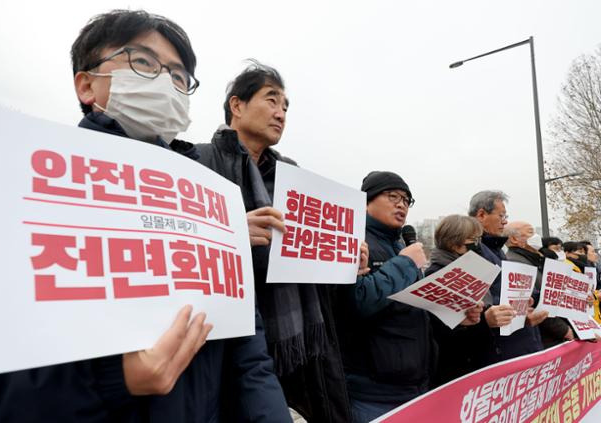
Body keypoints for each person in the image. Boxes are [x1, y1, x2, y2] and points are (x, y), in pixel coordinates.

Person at [0, 10, 290, 422]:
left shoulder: (209, 200)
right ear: (86, 84)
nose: (165, 84)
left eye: (178, 77)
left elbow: (248, 355)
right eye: (144, 63)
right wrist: (110, 379)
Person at [193, 61, 361, 422]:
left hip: (304, 350)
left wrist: (347, 258)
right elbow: (176, 250)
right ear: (237, 106)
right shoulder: (196, 162)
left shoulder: (295, 180)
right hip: (230, 345)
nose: (281, 113)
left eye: (285, 106)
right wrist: (229, 234)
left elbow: (314, 267)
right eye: (271, 100)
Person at [335, 171, 432, 422]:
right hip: (371, 391)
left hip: (414, 384)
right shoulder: (353, 240)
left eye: (406, 200)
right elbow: (356, 303)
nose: (401, 205)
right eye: (393, 196)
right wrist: (406, 264)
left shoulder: (401, 246)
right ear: (366, 200)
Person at [468, 191, 544, 363]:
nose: (505, 221)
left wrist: (528, 299)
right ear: (481, 214)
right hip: (502, 351)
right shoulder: (474, 251)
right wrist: (516, 311)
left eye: (506, 216)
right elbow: (486, 301)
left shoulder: (497, 250)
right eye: (501, 215)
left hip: (520, 343)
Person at [425, 215, 488, 387]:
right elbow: (440, 329)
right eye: (473, 240)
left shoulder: (472, 269)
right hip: (451, 369)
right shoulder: (437, 275)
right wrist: (481, 320)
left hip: (475, 362)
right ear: (455, 243)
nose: (478, 245)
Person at [503, 222, 567, 349]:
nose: (536, 236)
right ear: (514, 239)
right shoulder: (515, 263)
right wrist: (564, 330)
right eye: (530, 232)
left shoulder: (535, 260)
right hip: (545, 335)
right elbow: (538, 301)